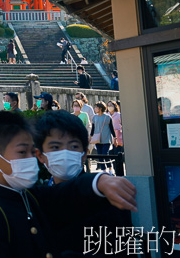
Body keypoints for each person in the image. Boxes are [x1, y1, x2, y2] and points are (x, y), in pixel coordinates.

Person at [0, 110, 138, 258]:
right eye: (22, 152)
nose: (31, 159)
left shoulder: (27, 196)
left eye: (31, 151)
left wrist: (98, 180)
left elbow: (64, 193)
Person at [34, 110, 131, 257]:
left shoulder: (107, 197)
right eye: (55, 147)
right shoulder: (35, 200)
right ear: (40, 155)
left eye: (73, 146)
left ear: (84, 154)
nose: (65, 153)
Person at [90, 101, 115, 170]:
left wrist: (115, 138)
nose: (95, 109)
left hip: (107, 139)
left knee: (105, 155)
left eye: (96, 107)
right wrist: (90, 137)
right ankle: (104, 170)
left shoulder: (108, 117)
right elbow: (93, 128)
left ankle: (110, 169)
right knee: (100, 156)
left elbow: (111, 128)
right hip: (97, 140)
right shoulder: (94, 117)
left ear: (100, 108)